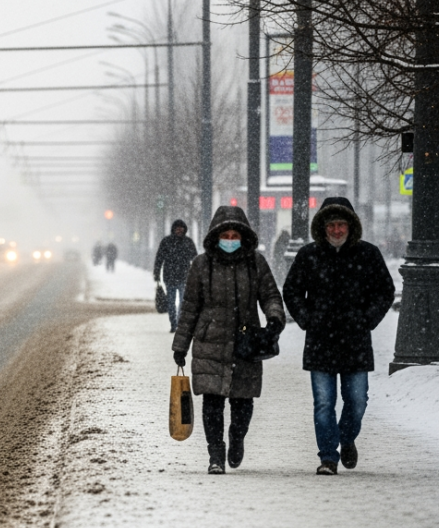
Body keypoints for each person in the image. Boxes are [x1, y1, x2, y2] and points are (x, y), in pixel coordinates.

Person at [282, 197, 394, 476]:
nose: (336, 230)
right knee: (323, 403)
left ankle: (346, 438)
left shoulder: (368, 254)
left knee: (357, 400)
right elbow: (292, 291)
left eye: (341, 224)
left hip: (355, 341)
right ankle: (328, 457)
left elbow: (384, 291)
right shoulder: (309, 255)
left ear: (350, 226)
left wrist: (367, 319)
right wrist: (307, 319)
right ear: (323, 227)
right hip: (320, 341)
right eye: (331, 224)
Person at [172, 206, 286, 474]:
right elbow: (189, 308)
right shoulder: (201, 265)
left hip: (246, 343)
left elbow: (270, 294)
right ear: (216, 236)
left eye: (236, 235)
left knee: (243, 401)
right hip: (209, 342)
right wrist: (180, 345)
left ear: (243, 236)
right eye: (227, 234)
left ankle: (237, 438)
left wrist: (274, 317)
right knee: (212, 402)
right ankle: (215, 453)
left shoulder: (255, 263)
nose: (231, 239)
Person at [153, 219, 198, 333]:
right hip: (171, 277)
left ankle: (178, 323)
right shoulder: (169, 242)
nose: (179, 230)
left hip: (182, 277)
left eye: (181, 228)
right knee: (171, 303)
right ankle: (174, 323)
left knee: (182, 302)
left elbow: (195, 259)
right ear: (173, 229)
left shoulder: (185, 242)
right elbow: (159, 258)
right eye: (177, 228)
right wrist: (156, 273)